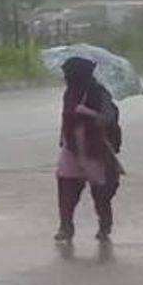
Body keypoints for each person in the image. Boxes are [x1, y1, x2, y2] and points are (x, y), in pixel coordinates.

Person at [54, 57, 123, 242]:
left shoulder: (99, 92)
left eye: (68, 74)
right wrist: (63, 138)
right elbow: (66, 117)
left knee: (100, 193)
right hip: (71, 147)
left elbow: (109, 118)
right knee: (66, 187)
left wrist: (88, 112)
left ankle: (105, 225)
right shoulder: (69, 92)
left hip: (94, 148)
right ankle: (66, 226)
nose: (66, 77)